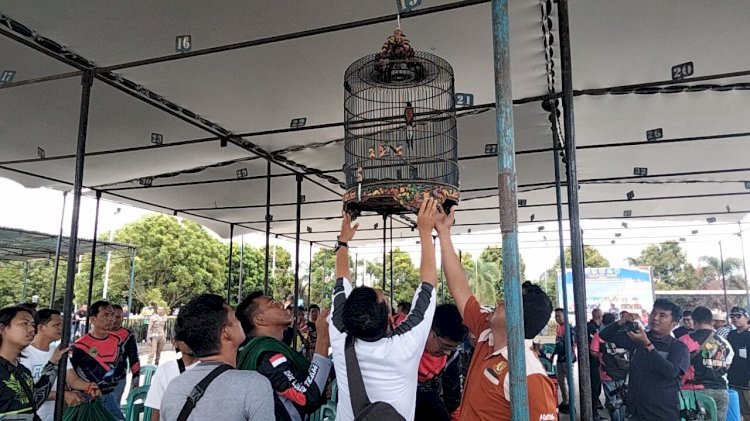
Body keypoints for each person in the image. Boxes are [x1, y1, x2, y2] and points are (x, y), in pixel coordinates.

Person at [437, 205, 557, 421]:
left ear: (518, 318)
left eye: (508, 300)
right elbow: (460, 288)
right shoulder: (486, 331)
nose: (499, 301)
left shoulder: (530, 375)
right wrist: (444, 232)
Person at [329, 199, 439, 421]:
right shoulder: (404, 345)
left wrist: (343, 242)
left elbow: (341, 281)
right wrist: (425, 232)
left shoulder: (340, 337)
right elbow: (428, 286)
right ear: (391, 318)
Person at [159, 294, 274, 421]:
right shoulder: (253, 385)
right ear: (227, 333)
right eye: (234, 317)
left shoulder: (174, 387)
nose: (239, 321)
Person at [235, 292, 332, 421]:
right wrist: (323, 337)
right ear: (260, 320)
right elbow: (307, 397)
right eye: (272, 303)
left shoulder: (268, 351)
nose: (281, 305)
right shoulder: (267, 358)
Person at [599, 298, 690, 421]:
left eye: (662, 315)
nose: (655, 318)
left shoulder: (678, 347)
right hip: (635, 412)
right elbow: (604, 335)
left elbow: (671, 373)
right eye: (654, 313)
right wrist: (621, 322)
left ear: (674, 324)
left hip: (662, 414)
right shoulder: (637, 338)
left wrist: (648, 346)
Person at [20, 309, 98, 421]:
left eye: (62, 324)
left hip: (54, 415)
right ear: (41, 327)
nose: (61, 328)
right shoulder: (24, 354)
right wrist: (63, 395)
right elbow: (27, 392)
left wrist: (89, 386)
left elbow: (73, 380)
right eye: (57, 324)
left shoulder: (57, 351)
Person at [0, 306, 67, 420]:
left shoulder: (22, 371)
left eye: (32, 325)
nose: (32, 329)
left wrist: (53, 363)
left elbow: (34, 401)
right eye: (24, 323)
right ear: (2, 328)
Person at [68, 300, 129, 420]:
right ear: (92, 319)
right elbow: (71, 375)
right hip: (88, 398)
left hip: (109, 395)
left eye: (112, 315)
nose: (111, 319)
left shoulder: (118, 342)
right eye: (106, 315)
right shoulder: (80, 345)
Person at [679, 306, 733, 421]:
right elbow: (727, 366)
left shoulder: (685, 340)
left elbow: (678, 365)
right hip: (721, 391)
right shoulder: (724, 342)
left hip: (695, 392)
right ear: (712, 321)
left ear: (694, 321)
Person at [415, 304, 467, 421]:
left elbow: (452, 395)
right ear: (429, 331)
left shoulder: (451, 356)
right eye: (444, 346)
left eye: (452, 348)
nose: (447, 352)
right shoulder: (404, 345)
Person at [144, 328, 198, 421]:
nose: (189, 341)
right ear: (174, 342)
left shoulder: (209, 367)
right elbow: (156, 411)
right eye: (184, 337)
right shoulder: (165, 370)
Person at [590, 313, 629, 421]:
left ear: (603, 321)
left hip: (607, 374)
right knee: (622, 398)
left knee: (612, 400)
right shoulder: (624, 334)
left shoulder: (599, 335)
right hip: (623, 373)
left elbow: (593, 351)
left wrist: (602, 356)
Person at [109, 304, 140, 405]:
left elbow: (133, 358)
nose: (114, 319)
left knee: (113, 410)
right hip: (97, 379)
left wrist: (135, 378)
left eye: (118, 317)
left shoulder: (128, 335)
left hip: (118, 379)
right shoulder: (98, 332)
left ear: (122, 318)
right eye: (112, 315)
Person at [727, 306, 750, 421]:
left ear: (746, 317)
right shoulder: (731, 335)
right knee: (738, 411)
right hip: (734, 379)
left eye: (738, 316)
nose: (735, 319)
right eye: (732, 316)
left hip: (747, 381)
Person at [552, 307, 576, 414]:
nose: (557, 318)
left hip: (567, 359)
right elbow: (557, 345)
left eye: (559, 316)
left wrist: (569, 358)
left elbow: (572, 345)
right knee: (561, 381)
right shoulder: (559, 329)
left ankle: (571, 403)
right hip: (560, 359)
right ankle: (565, 401)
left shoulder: (570, 329)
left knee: (570, 382)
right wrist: (553, 356)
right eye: (556, 316)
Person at [588, 308, 604, 418]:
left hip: (599, 362)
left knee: (597, 388)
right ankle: (593, 414)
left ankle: (595, 412)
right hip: (592, 361)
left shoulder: (600, 327)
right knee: (594, 388)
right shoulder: (590, 327)